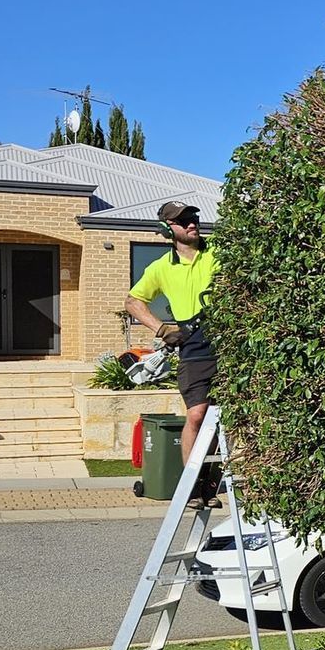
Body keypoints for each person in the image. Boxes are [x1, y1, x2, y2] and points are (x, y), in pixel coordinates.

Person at [125, 200, 219, 476]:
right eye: (184, 220)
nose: (192, 224)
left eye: (194, 218)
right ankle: (192, 481)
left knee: (225, 418)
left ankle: (211, 481)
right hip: (194, 345)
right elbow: (133, 302)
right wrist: (162, 329)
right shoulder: (161, 267)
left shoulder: (220, 253)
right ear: (167, 229)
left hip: (229, 340)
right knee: (197, 414)